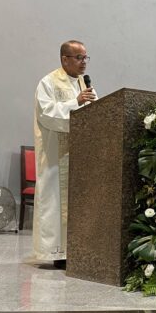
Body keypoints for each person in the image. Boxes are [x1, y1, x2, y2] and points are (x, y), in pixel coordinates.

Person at [32, 40, 96, 268]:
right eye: (79, 58)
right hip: (55, 156)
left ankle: (78, 250)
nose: (83, 62)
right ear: (64, 59)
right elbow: (46, 114)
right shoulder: (48, 82)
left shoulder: (83, 83)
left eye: (85, 57)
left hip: (80, 155)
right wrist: (75, 102)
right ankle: (57, 253)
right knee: (55, 202)